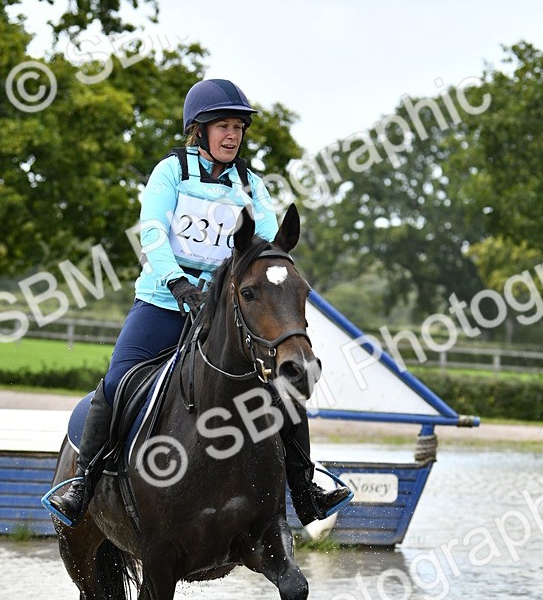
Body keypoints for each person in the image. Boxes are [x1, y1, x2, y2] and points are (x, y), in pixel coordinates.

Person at [51, 77, 351, 528]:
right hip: (162, 301)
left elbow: (266, 239)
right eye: (223, 127)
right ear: (200, 130)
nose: (232, 135)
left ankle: (304, 489)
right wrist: (176, 283)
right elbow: (151, 231)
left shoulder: (249, 183)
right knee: (114, 383)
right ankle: (84, 484)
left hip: (224, 311)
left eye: (238, 128)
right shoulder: (170, 171)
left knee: (285, 389)